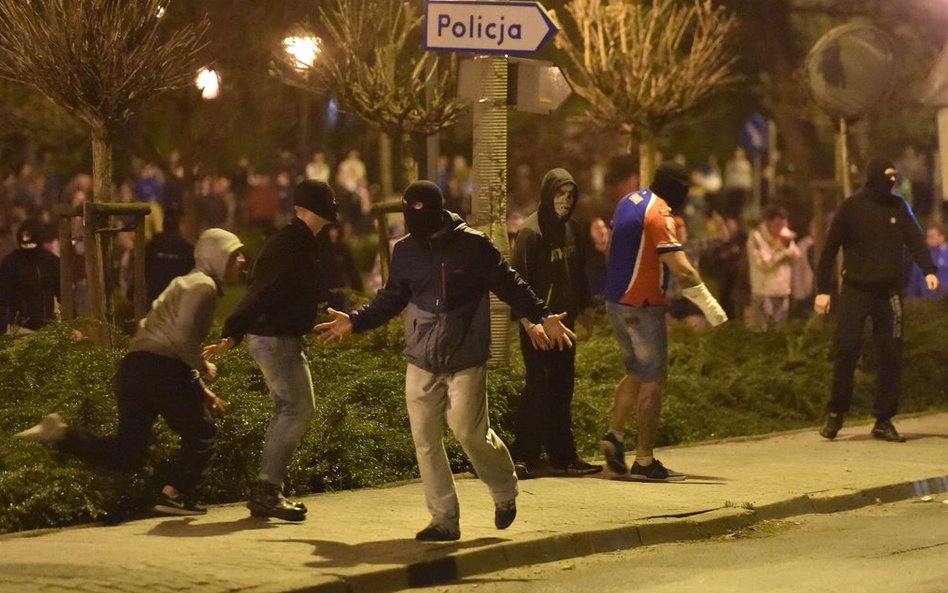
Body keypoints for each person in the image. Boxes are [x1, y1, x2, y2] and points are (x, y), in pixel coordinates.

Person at [315, 181, 575, 542]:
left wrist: (543, 316)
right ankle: (444, 519)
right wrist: (355, 321)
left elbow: (510, 284)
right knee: (425, 440)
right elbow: (391, 298)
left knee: (470, 433)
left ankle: (504, 489)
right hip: (421, 358)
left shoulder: (474, 246)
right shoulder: (405, 250)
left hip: (465, 356)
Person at [14, 229, 244, 515]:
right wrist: (204, 366)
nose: (242, 261)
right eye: (234, 255)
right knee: (203, 431)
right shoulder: (203, 287)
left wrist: (203, 391)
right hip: (162, 370)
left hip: (134, 368)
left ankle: (62, 433)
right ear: (216, 256)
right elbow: (181, 341)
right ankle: (176, 494)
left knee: (128, 453)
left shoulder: (184, 282)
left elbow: (167, 341)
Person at [203, 180, 338, 522]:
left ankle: (268, 489)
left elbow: (283, 293)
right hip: (274, 339)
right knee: (298, 408)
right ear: (310, 208)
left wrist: (307, 323)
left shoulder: (299, 241)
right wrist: (232, 332)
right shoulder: (290, 244)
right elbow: (261, 291)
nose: (334, 207)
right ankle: (267, 490)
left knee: (289, 409)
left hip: (278, 335)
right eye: (328, 202)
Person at [600, 162, 728, 481]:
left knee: (637, 371)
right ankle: (644, 461)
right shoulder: (660, 214)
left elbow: (612, 248)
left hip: (616, 302)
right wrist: (712, 308)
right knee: (653, 380)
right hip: (643, 306)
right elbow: (682, 268)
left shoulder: (629, 201)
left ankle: (615, 435)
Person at [815, 157, 938, 443]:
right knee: (846, 349)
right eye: (887, 175)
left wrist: (929, 270)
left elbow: (916, 240)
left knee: (891, 355)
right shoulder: (851, 208)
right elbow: (829, 249)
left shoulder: (899, 207)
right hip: (856, 290)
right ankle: (836, 413)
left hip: (889, 293)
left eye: (895, 176)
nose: (892, 181)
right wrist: (823, 289)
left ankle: (883, 419)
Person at [508, 168, 600, 479]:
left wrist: (586, 308)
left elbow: (579, 271)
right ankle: (523, 456)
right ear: (548, 194)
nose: (566, 200)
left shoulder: (572, 229)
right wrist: (529, 323)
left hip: (565, 324)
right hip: (539, 326)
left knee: (563, 388)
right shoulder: (531, 233)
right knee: (538, 386)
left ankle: (563, 457)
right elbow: (516, 284)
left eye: (571, 195)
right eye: (560, 193)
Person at [0, 219, 60, 336]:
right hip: (19, 328)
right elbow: (3, 297)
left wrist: (73, 324)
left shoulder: (51, 262)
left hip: (47, 329)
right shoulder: (11, 263)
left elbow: (63, 293)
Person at [745, 205, 800, 331]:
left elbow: (796, 254)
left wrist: (788, 247)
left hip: (783, 290)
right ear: (768, 223)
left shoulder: (784, 234)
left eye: (784, 224)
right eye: (778, 225)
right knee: (761, 330)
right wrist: (783, 251)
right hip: (764, 291)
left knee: (780, 330)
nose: (781, 228)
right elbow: (763, 264)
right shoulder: (756, 237)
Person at [144, 208, 195, 307]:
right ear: (180, 225)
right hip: (178, 300)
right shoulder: (187, 249)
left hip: (154, 300)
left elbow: (142, 270)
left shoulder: (152, 245)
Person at [907, 224, 948, 299]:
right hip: (926, 300)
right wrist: (911, 297)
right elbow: (914, 279)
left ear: (942, 237)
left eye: (931, 237)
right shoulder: (923, 256)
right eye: (927, 237)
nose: (928, 240)